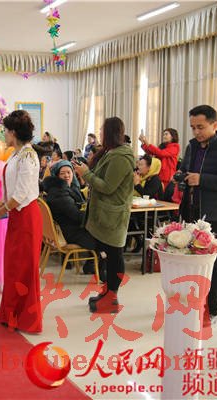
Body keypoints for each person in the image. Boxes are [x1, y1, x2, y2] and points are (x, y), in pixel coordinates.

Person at [175, 106, 217, 324]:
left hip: (215, 213)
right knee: (190, 259)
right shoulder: (192, 146)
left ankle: (212, 309)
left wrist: (202, 179)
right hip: (191, 210)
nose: (196, 132)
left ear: (214, 124)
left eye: (200, 127)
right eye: (193, 127)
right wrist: (181, 176)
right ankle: (192, 302)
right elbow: (185, 170)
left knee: (215, 261)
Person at [73, 117, 135, 314]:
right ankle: (107, 291)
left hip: (113, 216)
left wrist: (86, 174)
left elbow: (108, 187)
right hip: (104, 213)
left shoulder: (121, 157)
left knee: (115, 255)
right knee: (107, 255)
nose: (99, 133)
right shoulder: (111, 152)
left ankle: (112, 297)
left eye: (102, 130)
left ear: (110, 132)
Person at [0, 110, 42, 333]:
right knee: (13, 266)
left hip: (27, 216)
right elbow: (9, 191)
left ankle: (25, 318)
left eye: (6, 131)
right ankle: (10, 313)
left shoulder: (28, 157)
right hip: (18, 216)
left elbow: (20, 195)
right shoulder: (16, 154)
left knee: (23, 268)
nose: (4, 135)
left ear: (13, 132)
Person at [42, 161, 105, 280]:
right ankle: (101, 270)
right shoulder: (59, 193)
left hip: (67, 227)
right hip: (69, 232)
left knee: (100, 231)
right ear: (57, 176)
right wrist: (96, 214)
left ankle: (91, 264)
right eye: (62, 173)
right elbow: (76, 215)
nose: (66, 176)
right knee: (104, 237)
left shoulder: (64, 189)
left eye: (69, 172)